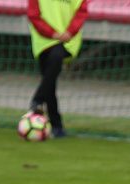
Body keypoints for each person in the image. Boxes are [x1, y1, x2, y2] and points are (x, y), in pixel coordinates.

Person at [26, 0, 89, 137]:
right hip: (43, 39)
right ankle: (57, 127)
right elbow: (33, 15)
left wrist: (69, 32)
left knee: (56, 57)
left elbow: (81, 12)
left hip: (68, 39)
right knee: (50, 82)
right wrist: (52, 33)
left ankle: (37, 99)